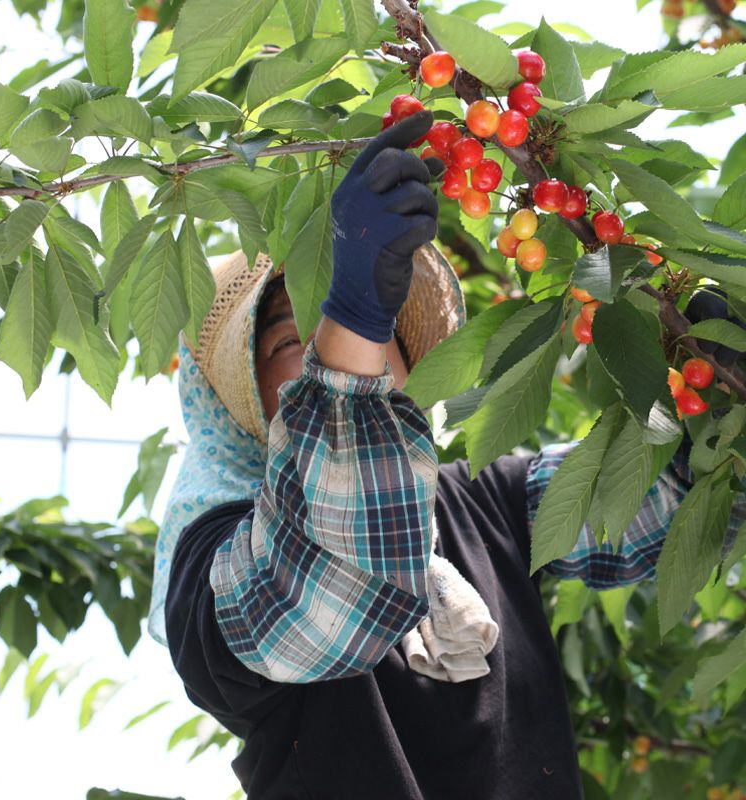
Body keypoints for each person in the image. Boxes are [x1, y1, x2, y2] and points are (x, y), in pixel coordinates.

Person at [148, 111, 740, 799]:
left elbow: (655, 508)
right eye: (289, 341)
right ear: (244, 399)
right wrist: (353, 322)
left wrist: (714, 409)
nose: (321, 345)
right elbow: (330, 599)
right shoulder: (212, 566)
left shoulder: (486, 502)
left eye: (344, 316)